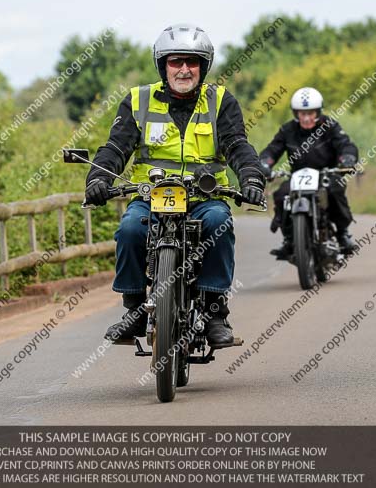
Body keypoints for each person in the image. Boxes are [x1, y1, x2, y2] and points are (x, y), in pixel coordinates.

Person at [83, 23, 266, 346]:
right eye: (175, 61)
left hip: (204, 197)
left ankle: (214, 313)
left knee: (219, 223)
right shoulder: (137, 100)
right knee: (130, 229)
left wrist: (251, 177)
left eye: (192, 62)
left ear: (204, 67)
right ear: (162, 65)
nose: (184, 69)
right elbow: (116, 148)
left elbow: (237, 145)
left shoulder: (220, 101)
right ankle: (134, 309)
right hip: (151, 197)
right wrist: (99, 177)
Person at [259, 87, 359, 258]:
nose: (306, 118)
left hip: (325, 174)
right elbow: (272, 150)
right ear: (295, 113)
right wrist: (264, 164)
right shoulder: (287, 130)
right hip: (297, 176)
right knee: (281, 194)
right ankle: (290, 239)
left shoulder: (329, 126)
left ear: (318, 112)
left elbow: (345, 144)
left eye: (310, 113)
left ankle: (342, 233)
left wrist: (348, 158)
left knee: (335, 189)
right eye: (301, 113)